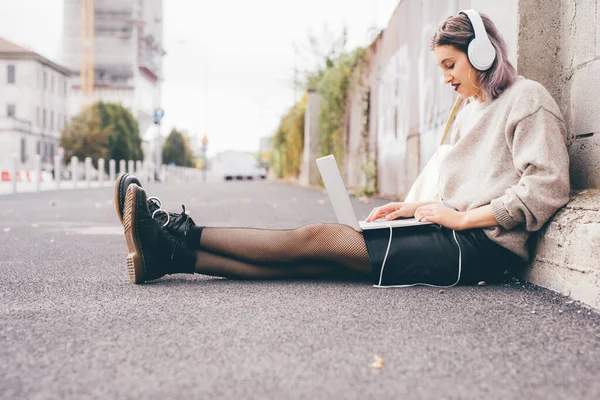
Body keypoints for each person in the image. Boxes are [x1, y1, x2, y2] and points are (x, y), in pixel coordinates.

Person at [115, 10, 570, 286]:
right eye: (440, 68)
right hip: (454, 232)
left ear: (484, 53)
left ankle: (178, 233)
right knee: (315, 262)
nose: (446, 77)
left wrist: (462, 218)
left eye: (450, 64)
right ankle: (170, 255)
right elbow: (472, 190)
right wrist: (414, 207)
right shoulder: (472, 109)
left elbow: (546, 187)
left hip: (480, 248)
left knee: (319, 240)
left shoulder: (527, 100)